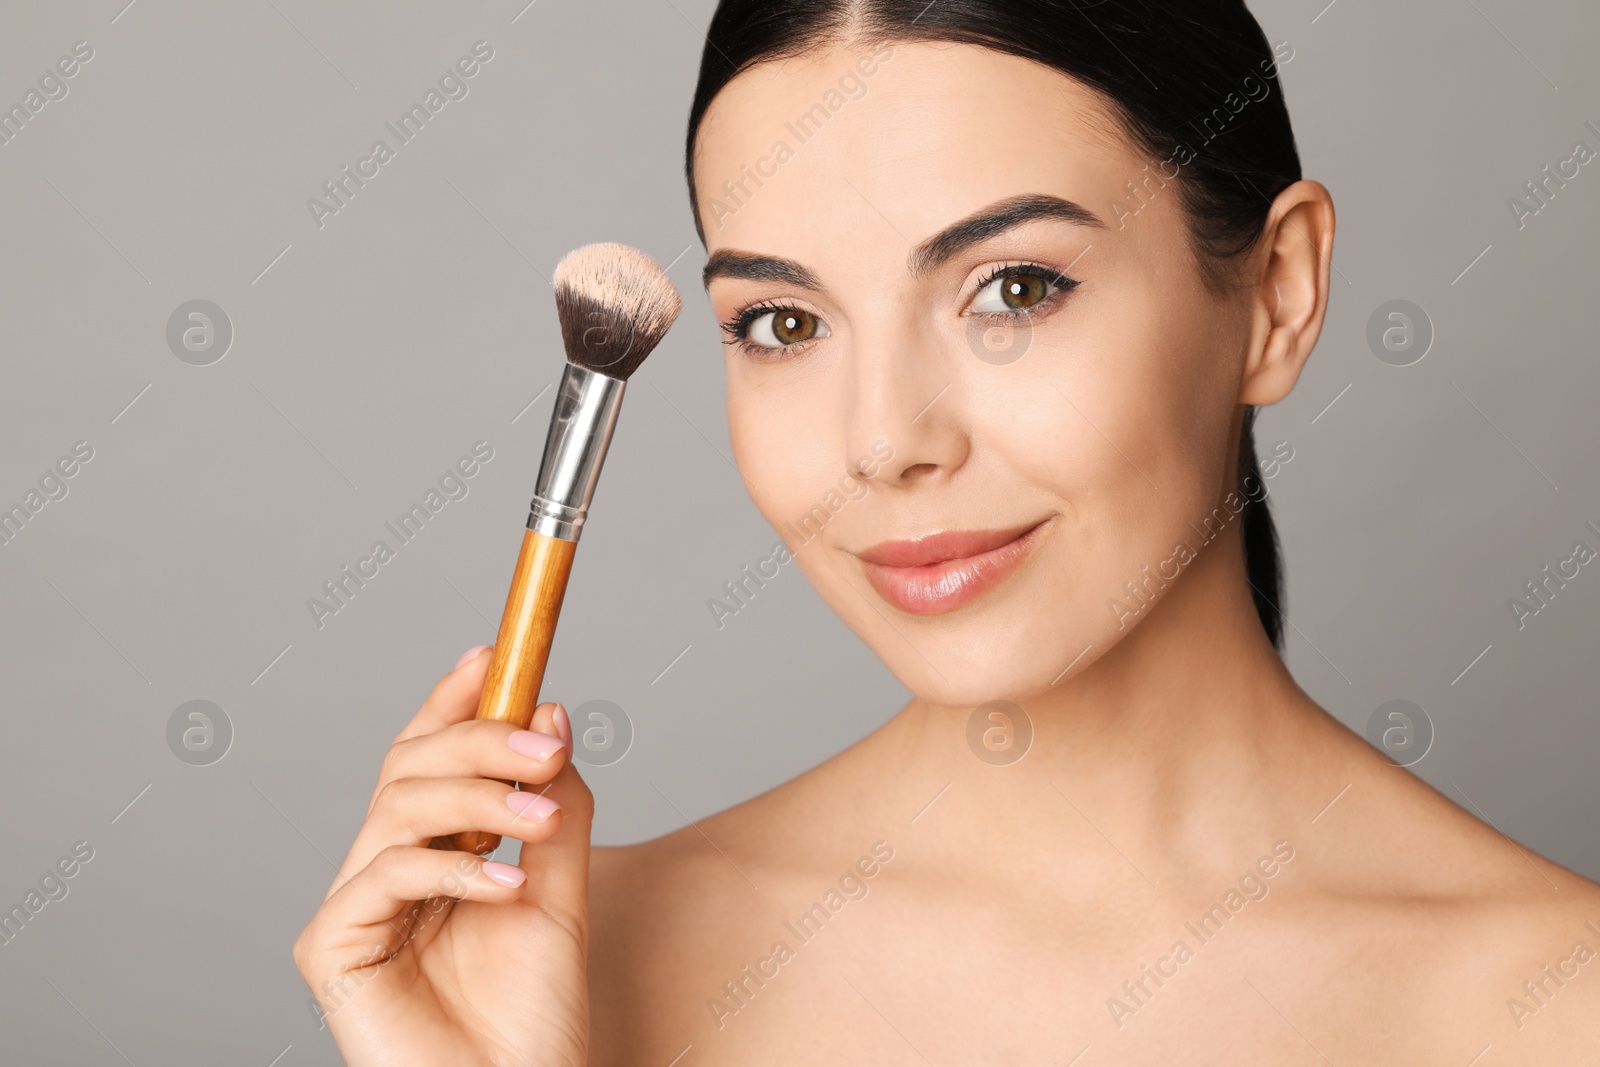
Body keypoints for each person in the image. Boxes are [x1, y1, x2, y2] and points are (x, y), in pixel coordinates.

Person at [295, 2, 1600, 1062]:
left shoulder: (1556, 1005)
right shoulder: (559, 972)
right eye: (784, 323)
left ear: (1276, 293)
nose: (883, 440)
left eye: (1011, 289)